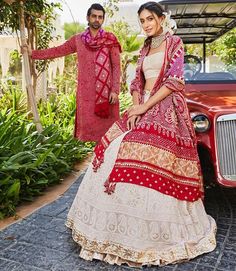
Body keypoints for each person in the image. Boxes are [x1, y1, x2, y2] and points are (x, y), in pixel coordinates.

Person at [66, 1, 216, 267]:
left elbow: (174, 81)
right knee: (113, 144)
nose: (146, 24)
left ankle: (152, 235)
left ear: (161, 19)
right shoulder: (145, 47)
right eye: (142, 21)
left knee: (137, 145)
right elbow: (136, 80)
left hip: (165, 107)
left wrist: (146, 105)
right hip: (142, 104)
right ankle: (107, 232)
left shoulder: (175, 43)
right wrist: (136, 106)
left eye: (149, 19)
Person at [23, 3, 121, 142]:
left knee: (109, 136)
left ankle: (105, 162)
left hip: (106, 95)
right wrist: (33, 53)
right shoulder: (78, 40)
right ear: (88, 17)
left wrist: (115, 90)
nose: (96, 20)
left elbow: (116, 66)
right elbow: (58, 51)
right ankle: (94, 162)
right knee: (88, 138)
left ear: (103, 19)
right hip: (86, 96)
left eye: (100, 17)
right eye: (94, 16)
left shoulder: (110, 40)